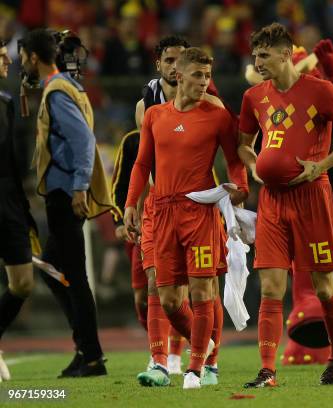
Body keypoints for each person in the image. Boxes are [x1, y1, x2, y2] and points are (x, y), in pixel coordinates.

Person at [238, 22, 333, 387]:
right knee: (270, 288)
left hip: (312, 198)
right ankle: (267, 371)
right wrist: (253, 166)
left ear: (285, 53)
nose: (257, 61)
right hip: (272, 202)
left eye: (264, 54)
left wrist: (322, 165)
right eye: (254, 55)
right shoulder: (254, 98)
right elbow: (243, 143)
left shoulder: (320, 91)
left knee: (325, 286)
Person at [124, 47, 248, 389]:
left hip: (199, 211)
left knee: (202, 288)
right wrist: (132, 203)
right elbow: (142, 163)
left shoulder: (218, 115)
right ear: (179, 76)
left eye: (208, 76)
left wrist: (241, 185)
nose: (205, 83)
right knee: (168, 299)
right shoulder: (154, 116)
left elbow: (234, 159)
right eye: (198, 75)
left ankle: (196, 370)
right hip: (162, 210)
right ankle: (204, 347)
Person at [21, 28, 114, 377]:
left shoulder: (58, 91)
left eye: (25, 57)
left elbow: (83, 142)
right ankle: (85, 346)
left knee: (73, 275)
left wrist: (78, 188)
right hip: (63, 193)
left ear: (33, 57)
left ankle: (91, 354)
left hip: (65, 195)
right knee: (53, 267)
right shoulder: (66, 87)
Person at [113, 35, 193, 380]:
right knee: (148, 294)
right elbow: (141, 161)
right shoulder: (147, 104)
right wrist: (127, 207)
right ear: (158, 63)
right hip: (156, 205)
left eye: (181, 60)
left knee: (181, 285)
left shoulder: (205, 97)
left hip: (191, 204)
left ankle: (171, 356)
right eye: (169, 60)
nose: (176, 68)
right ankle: (167, 352)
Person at [0, 38, 35, 382]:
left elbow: (14, 160)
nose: (7, 63)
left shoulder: (8, 102)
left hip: (8, 204)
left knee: (23, 283)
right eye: (1, 58)